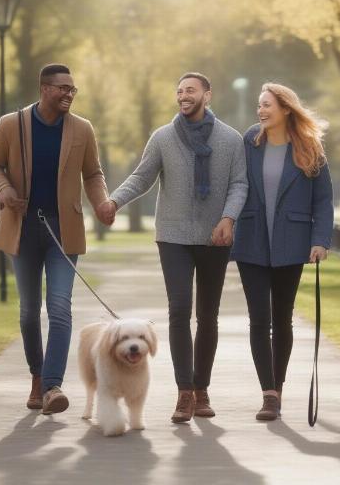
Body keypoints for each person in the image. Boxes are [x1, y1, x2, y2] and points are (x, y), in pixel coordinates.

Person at [97, 72, 248, 423]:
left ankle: (202, 389)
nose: (183, 95)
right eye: (179, 91)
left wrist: (228, 218)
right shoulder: (163, 138)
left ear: (207, 96)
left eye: (190, 90)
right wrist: (113, 201)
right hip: (173, 236)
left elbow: (240, 184)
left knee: (208, 316)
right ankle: (184, 393)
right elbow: (142, 176)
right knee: (179, 310)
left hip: (216, 237)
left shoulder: (231, 139)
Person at [0, 63, 112, 415]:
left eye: (73, 89)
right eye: (63, 88)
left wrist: (102, 203)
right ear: (44, 89)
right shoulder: (12, 124)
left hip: (62, 230)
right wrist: (4, 188)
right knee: (28, 312)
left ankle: (53, 387)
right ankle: (37, 377)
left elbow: (94, 173)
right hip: (21, 228)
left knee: (59, 307)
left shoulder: (82, 129)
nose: (69, 94)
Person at [230, 83, 333, 421]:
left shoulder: (309, 146)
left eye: (267, 105)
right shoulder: (250, 141)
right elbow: (235, 183)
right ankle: (269, 394)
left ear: (286, 109)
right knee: (259, 318)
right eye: (259, 105)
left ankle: (279, 382)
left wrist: (320, 240)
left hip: (292, 242)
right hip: (252, 240)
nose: (261, 111)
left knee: (282, 318)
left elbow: (323, 199)